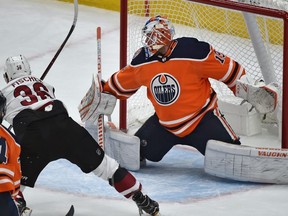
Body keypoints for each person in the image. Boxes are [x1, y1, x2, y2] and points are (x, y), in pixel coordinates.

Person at [102, 15, 278, 163]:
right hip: (164, 126)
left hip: (202, 120)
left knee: (231, 157)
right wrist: (103, 92)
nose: (148, 41)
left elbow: (229, 70)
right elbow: (121, 82)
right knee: (137, 154)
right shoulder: (143, 61)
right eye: (147, 36)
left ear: (164, 36)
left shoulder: (193, 51)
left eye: (152, 36)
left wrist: (249, 89)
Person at [1, 55, 160, 216]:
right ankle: (143, 199)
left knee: (12, 177)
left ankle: (17, 205)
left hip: (33, 135)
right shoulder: (44, 84)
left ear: (6, 76)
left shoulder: (4, 92)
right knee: (107, 167)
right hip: (65, 126)